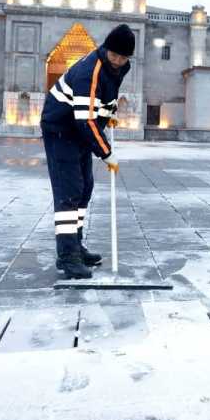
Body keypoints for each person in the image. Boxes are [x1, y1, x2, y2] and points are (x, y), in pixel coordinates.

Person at [40, 24, 135, 279]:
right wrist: (106, 153)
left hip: (79, 129)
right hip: (61, 128)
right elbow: (85, 120)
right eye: (114, 55)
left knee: (84, 189)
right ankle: (67, 257)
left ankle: (76, 245)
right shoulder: (88, 71)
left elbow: (106, 95)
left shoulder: (119, 68)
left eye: (123, 57)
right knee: (68, 192)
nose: (117, 61)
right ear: (106, 49)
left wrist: (109, 113)